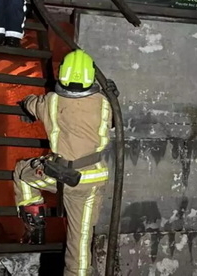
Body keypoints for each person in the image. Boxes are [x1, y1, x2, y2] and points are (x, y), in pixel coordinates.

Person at [13, 49, 118, 276]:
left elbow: (32, 104)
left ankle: (35, 224)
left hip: (58, 175)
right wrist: (112, 95)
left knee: (22, 172)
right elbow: (112, 121)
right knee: (80, 243)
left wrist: (24, 103)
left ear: (62, 74)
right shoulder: (104, 103)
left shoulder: (52, 101)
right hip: (92, 180)